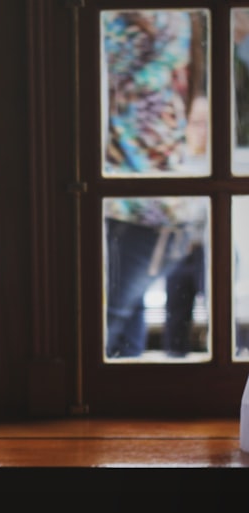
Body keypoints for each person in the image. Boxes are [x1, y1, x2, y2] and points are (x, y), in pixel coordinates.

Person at [103, 10, 209, 359]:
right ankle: (119, 408)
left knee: (105, 327)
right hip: (144, 198)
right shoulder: (175, 19)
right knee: (121, 322)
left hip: (139, 201)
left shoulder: (141, 21)